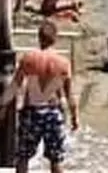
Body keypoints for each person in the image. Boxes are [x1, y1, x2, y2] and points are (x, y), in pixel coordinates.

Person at [12, 20, 79, 173]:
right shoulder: (63, 63)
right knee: (55, 161)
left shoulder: (28, 58)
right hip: (53, 113)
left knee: (23, 158)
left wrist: (6, 111)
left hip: (31, 112)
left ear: (39, 37)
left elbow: (15, 86)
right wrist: (75, 117)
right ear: (55, 38)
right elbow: (69, 95)